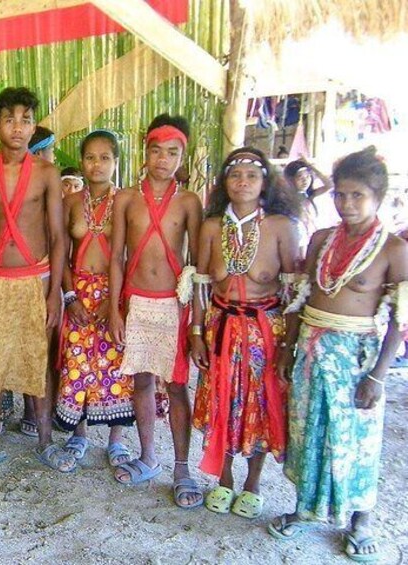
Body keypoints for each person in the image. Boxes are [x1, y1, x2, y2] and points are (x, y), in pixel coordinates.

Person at [268, 147, 407, 562]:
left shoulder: (392, 250)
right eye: (341, 195)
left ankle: (360, 520)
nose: (346, 204)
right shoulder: (320, 240)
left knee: (357, 440)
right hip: (311, 346)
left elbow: (401, 319)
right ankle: (305, 508)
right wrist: (287, 349)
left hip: (357, 357)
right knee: (309, 431)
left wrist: (378, 376)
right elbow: (299, 297)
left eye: (357, 196)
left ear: (378, 196)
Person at [0, 86, 72, 473]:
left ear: (33, 127)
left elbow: (58, 237)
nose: (17, 127)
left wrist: (56, 293)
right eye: (9, 119)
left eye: (26, 120)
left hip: (36, 278)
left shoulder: (47, 173)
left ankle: (45, 442)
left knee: (38, 360)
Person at [190, 147, 299, 518]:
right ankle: (223, 481)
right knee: (220, 402)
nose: (242, 182)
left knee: (259, 407)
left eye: (252, 175)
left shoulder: (281, 228)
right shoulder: (211, 227)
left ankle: (252, 485)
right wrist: (195, 332)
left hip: (263, 333)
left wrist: (288, 348)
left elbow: (294, 295)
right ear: (225, 182)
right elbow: (201, 286)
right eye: (235, 175)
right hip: (219, 330)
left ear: (265, 182)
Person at [108, 114, 203, 507]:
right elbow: (115, 257)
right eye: (156, 151)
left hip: (172, 305)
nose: (163, 159)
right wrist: (115, 310)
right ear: (144, 153)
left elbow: (196, 266)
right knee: (142, 381)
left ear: (183, 156)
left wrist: (196, 323)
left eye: (172, 152)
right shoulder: (127, 199)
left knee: (178, 386)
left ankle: (182, 467)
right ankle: (148, 456)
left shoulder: (188, 202)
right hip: (135, 303)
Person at [55, 130, 132, 468]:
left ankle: (116, 441)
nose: (96, 164)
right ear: (82, 161)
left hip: (114, 294)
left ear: (116, 162)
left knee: (116, 365)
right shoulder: (69, 203)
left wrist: (114, 302)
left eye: (105, 158)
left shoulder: (127, 201)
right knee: (78, 364)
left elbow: (130, 256)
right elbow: (61, 255)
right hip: (78, 294)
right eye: (90, 157)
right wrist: (70, 296)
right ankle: (79, 434)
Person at [284, 157, 333, 251]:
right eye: (300, 177)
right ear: (290, 179)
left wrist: (311, 167)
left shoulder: (309, 195)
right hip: (300, 241)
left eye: (307, 176)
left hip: (312, 238)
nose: (305, 181)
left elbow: (330, 184)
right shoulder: (288, 199)